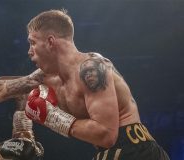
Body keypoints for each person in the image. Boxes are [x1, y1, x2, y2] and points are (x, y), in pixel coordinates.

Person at [24, 9, 170, 160]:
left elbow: (106, 135)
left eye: (32, 43)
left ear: (50, 42)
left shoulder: (91, 68)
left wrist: (52, 117)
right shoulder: (47, 78)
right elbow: (3, 89)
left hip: (134, 150)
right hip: (111, 152)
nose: (29, 52)